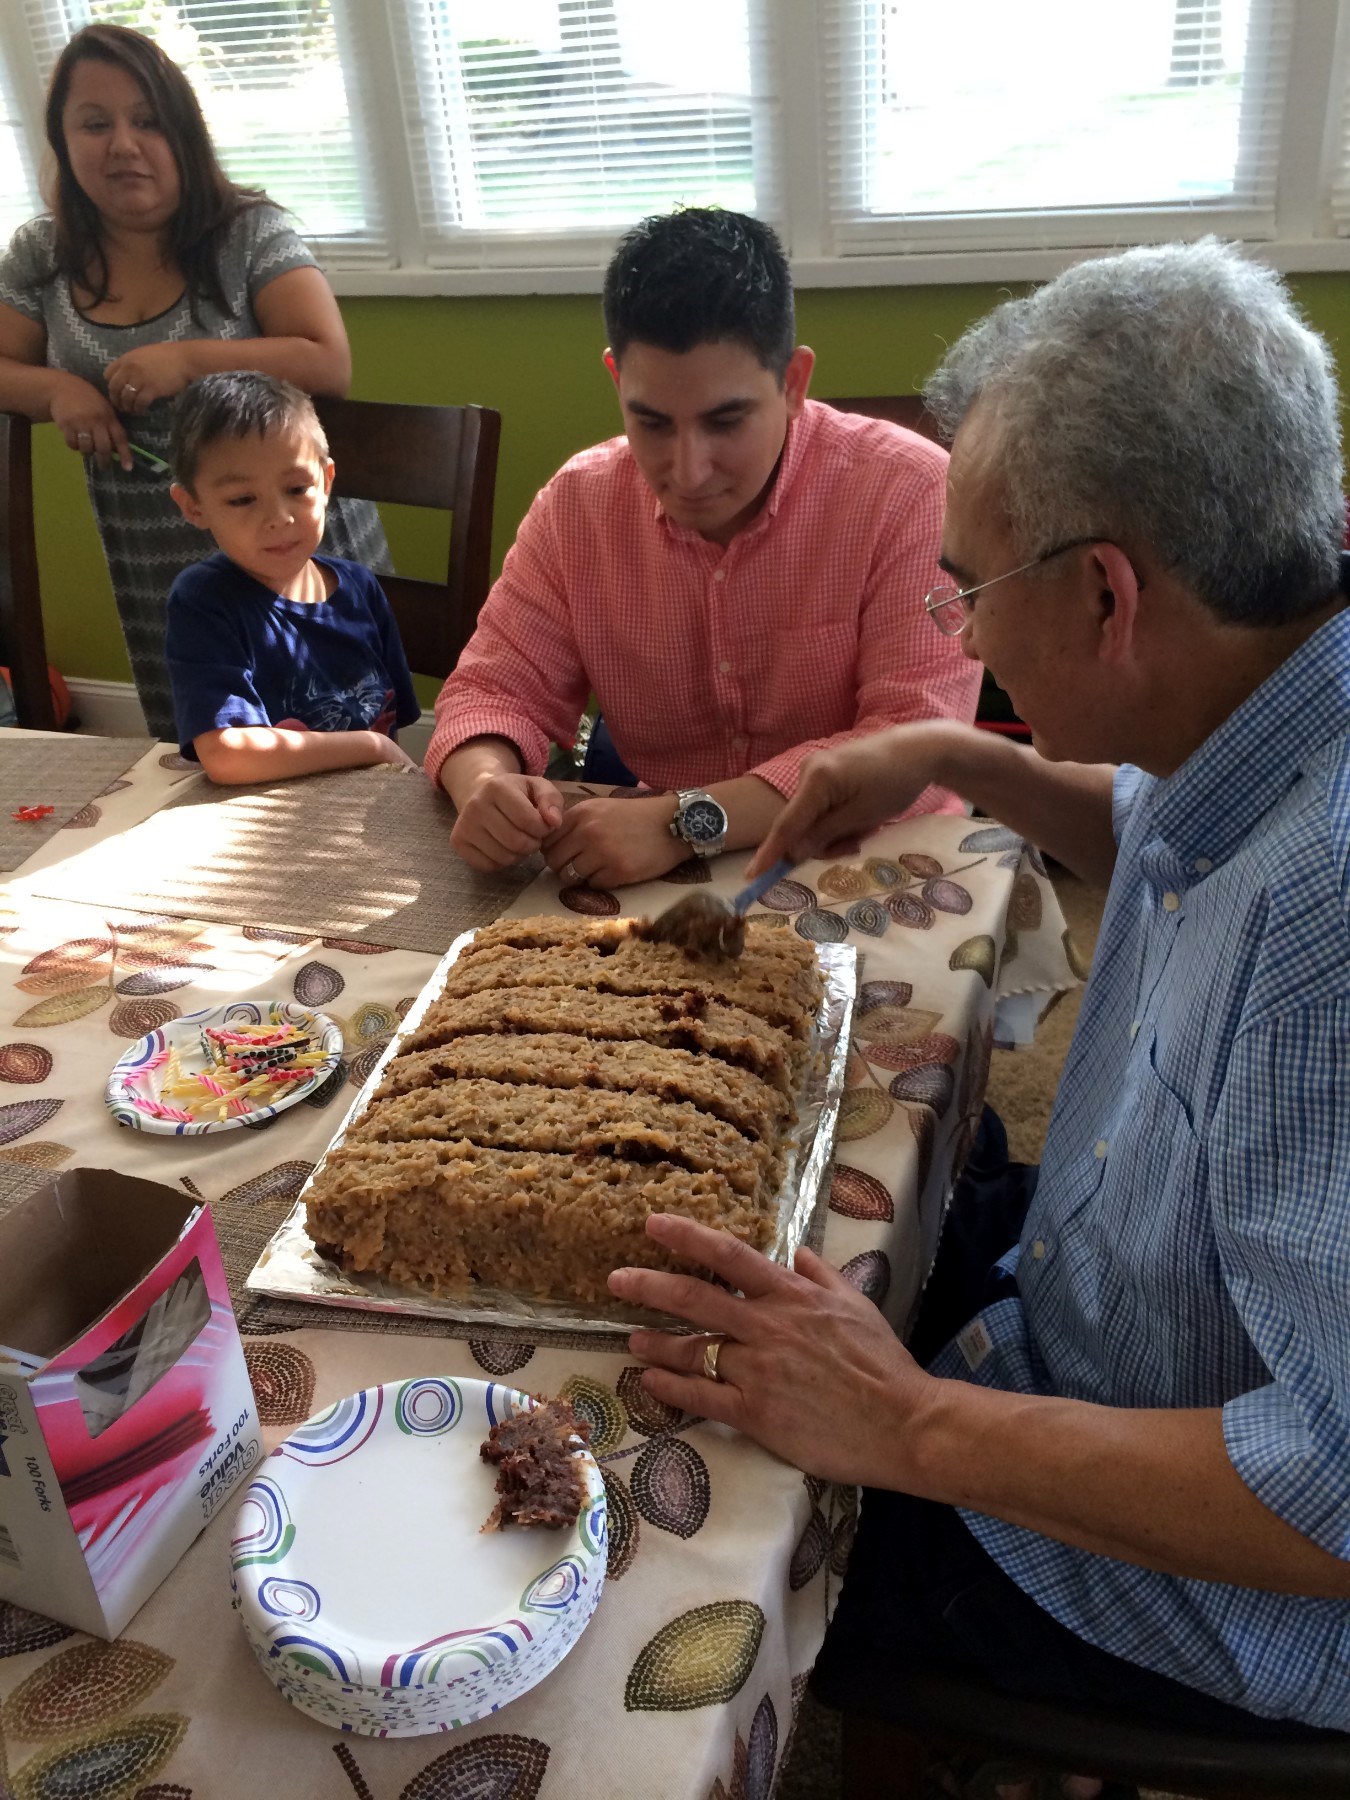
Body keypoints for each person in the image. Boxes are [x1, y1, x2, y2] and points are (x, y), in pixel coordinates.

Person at [607, 238, 1350, 1788]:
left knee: (655, 1545)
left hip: (1211, 1586)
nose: (963, 630)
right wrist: (974, 756)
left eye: (968, 591)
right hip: (1097, 1316)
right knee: (829, 1216)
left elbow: (1333, 1492)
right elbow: (1161, 823)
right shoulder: (1266, 693)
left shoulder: (1325, 929)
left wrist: (912, 1427)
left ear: (1103, 596)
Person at [427, 206, 979, 889]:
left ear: (794, 383)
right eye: (651, 422)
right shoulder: (578, 506)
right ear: (615, 383)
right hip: (656, 870)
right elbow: (493, 688)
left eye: (726, 421)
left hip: (882, 855)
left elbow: (917, 746)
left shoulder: (911, 492)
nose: (687, 472)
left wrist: (684, 822)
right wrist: (485, 781)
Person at [0, 22, 388, 741]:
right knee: (208, 746)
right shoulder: (40, 253)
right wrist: (57, 391)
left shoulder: (250, 232)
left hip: (290, 541)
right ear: (61, 139)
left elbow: (326, 359)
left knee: (328, 736)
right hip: (155, 559)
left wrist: (188, 362)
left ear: (184, 133)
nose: (122, 144)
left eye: (147, 121)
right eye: (95, 123)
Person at [165, 371, 418, 785]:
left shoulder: (361, 588)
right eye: (243, 499)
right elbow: (226, 754)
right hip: (267, 819)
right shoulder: (203, 601)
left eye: (297, 488)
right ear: (193, 506)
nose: (279, 518)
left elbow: (393, 718)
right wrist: (369, 747)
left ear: (326, 481)